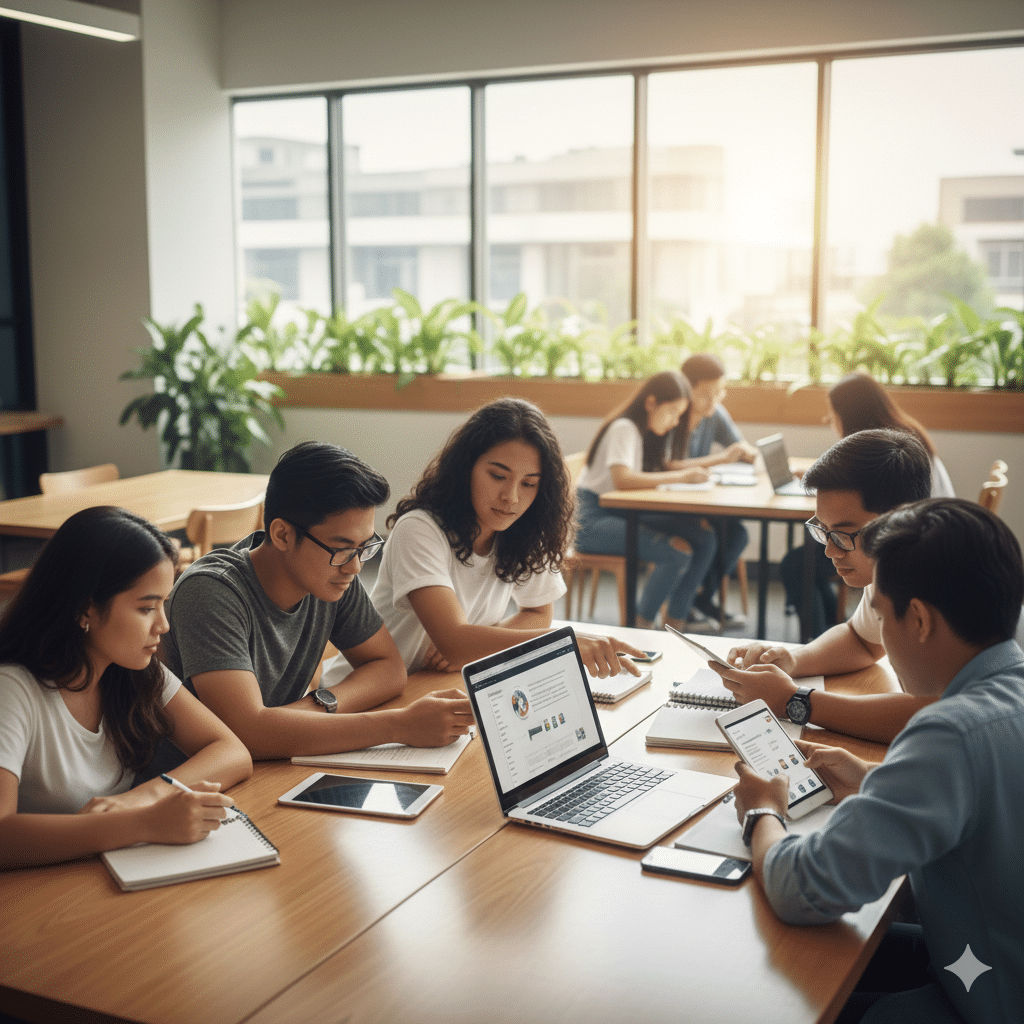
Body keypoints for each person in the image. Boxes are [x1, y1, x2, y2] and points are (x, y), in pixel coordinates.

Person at [732, 498, 1024, 1024]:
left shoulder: (950, 733)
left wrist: (762, 812)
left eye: (883, 614)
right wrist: (872, 779)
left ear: (918, 619)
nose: (881, 634)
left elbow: (803, 888)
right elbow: (987, 805)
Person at [155, 441, 472, 769]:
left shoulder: (331, 575)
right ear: (282, 535)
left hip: (272, 763)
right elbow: (245, 734)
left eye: (365, 547)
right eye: (344, 547)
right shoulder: (211, 593)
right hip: (187, 784)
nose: (355, 567)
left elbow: (390, 669)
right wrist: (400, 725)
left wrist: (320, 704)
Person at [0, 506, 251, 870]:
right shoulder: (13, 689)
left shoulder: (133, 671)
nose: (163, 625)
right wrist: (141, 823)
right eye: (146, 608)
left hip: (109, 873)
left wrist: (141, 799)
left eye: (163, 604)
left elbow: (232, 751)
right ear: (85, 609)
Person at [367, 398, 646, 676]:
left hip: (442, 685)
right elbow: (453, 642)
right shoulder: (419, 529)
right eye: (498, 476)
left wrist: (478, 646)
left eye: (528, 484)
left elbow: (538, 614)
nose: (511, 497)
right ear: (465, 469)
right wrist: (564, 641)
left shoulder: (523, 528)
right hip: (378, 696)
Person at [711, 428, 935, 743]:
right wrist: (793, 660)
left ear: (900, 521)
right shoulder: (891, 566)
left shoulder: (936, 591)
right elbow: (862, 640)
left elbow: (930, 719)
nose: (830, 551)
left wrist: (795, 701)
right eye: (823, 530)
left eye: (844, 534)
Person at [782, 371, 955, 635]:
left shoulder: (886, 454)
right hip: (936, 533)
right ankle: (828, 629)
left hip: (927, 541)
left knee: (798, 563)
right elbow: (861, 643)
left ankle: (816, 632)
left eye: (833, 413)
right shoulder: (901, 439)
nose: (828, 420)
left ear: (850, 413)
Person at [574, 371, 719, 633]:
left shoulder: (643, 431)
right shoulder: (624, 428)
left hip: (620, 512)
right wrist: (683, 478)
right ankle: (641, 627)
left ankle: (677, 622)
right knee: (676, 551)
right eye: (672, 412)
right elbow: (622, 479)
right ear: (651, 403)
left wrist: (687, 475)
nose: (675, 421)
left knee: (704, 538)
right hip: (591, 520)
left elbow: (659, 470)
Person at [671, 353, 757, 627]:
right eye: (706, 394)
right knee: (708, 535)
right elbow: (668, 466)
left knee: (736, 533)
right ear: (687, 389)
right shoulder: (673, 414)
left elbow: (739, 447)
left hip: (700, 500)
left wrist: (749, 454)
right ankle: (687, 606)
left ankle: (701, 599)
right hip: (668, 504)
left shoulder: (714, 413)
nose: (713, 401)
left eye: (719, 393)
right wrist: (722, 458)